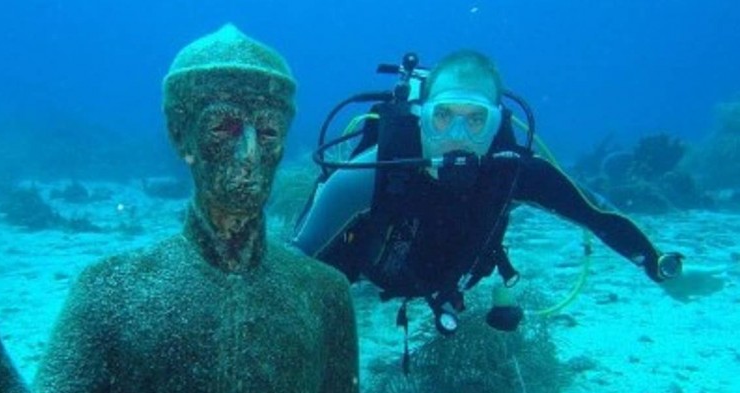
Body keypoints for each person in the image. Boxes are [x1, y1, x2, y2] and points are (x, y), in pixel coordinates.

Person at [0, 24, 359, 393]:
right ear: (181, 135)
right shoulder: (111, 291)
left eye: (268, 132)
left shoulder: (323, 293)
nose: (249, 155)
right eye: (225, 127)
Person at [293, 49, 699, 335]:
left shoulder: (514, 173)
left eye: (475, 121)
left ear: (496, 124)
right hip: (366, 267)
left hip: (445, 277)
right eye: (443, 116)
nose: (457, 135)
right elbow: (300, 252)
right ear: (420, 119)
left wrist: (657, 266)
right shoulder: (371, 172)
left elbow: (595, 216)